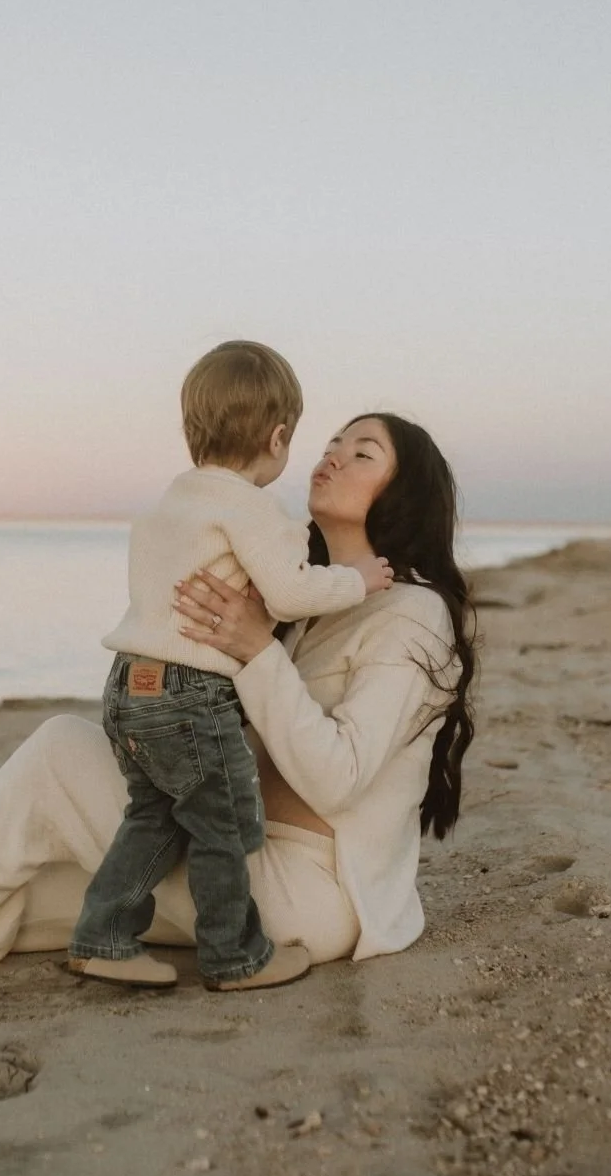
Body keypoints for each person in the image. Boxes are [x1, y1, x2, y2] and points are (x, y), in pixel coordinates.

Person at [0, 413, 476, 981]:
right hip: (230, 849)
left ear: (402, 492)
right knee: (25, 875)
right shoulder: (304, 606)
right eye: (333, 442)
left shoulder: (413, 615)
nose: (333, 455)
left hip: (306, 890)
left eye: (363, 452)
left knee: (55, 753)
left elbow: (336, 776)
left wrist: (250, 651)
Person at [68, 340, 392, 995]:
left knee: (153, 817)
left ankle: (104, 935)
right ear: (277, 438)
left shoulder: (168, 507)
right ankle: (234, 956)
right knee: (228, 825)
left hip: (129, 683)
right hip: (191, 695)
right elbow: (290, 595)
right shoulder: (251, 510)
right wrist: (354, 581)